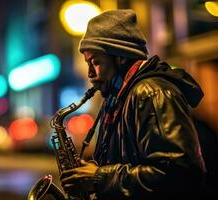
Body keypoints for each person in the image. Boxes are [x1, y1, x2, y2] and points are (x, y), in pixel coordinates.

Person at [60, 9, 206, 200]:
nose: (90, 74)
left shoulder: (151, 93)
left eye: (95, 62)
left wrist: (100, 177)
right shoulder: (117, 99)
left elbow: (178, 174)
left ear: (120, 57)